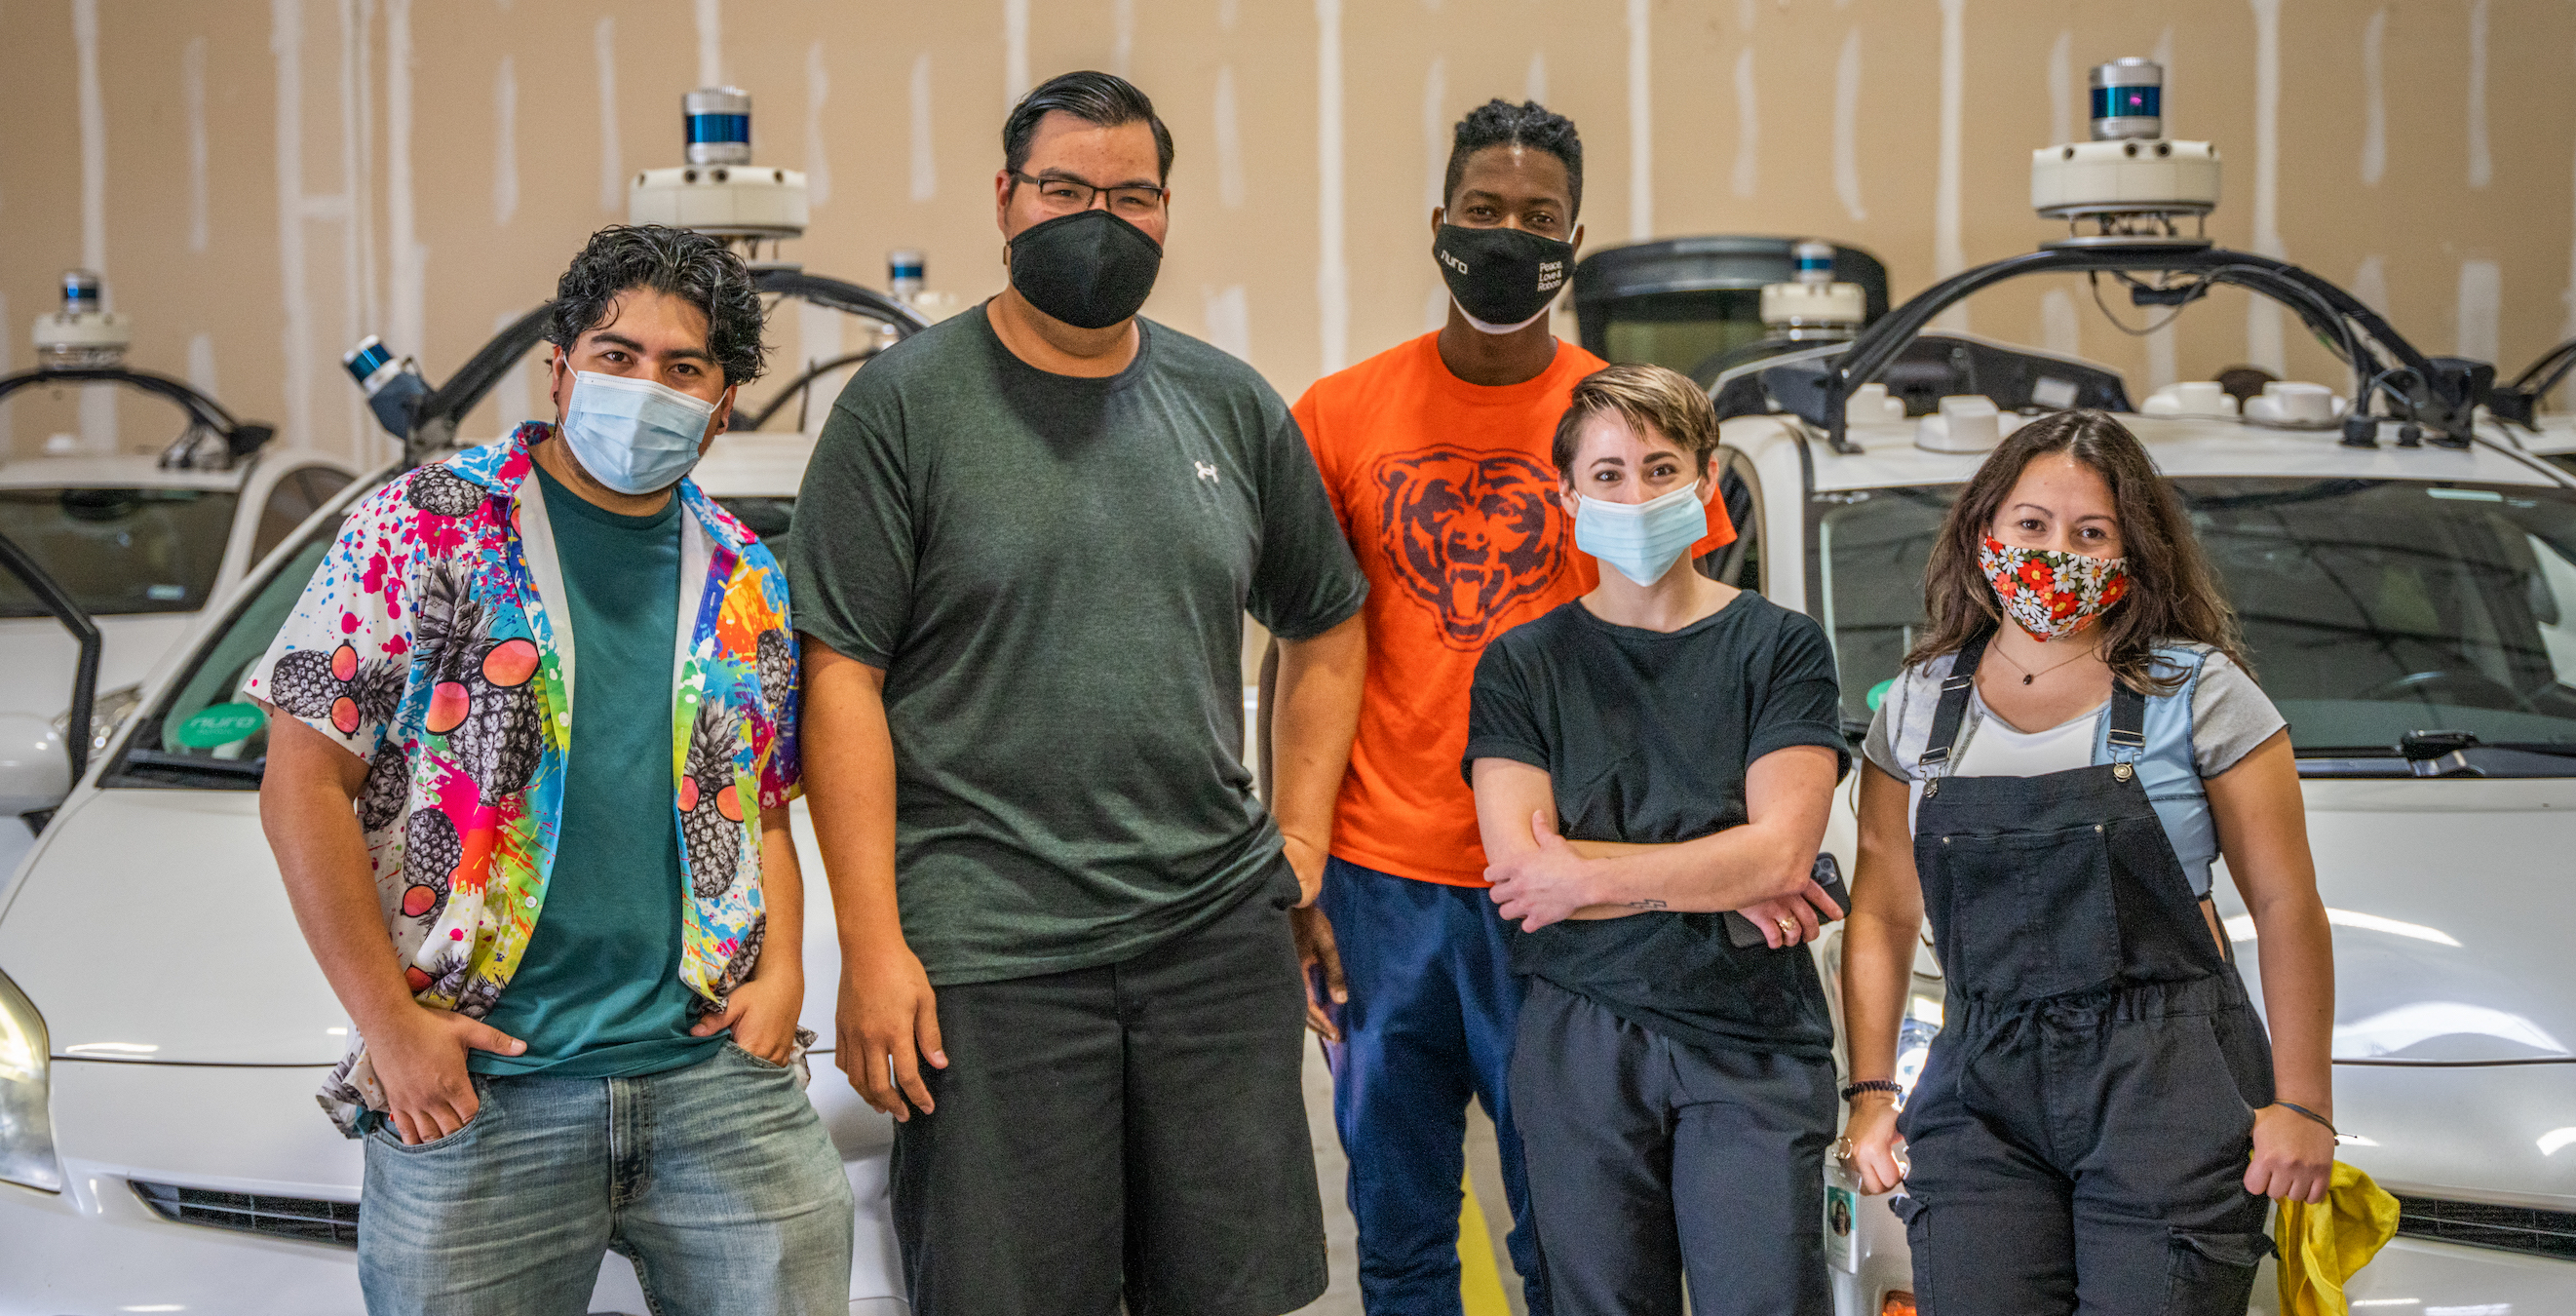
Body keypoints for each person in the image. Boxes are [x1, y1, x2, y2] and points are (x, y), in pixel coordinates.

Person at [788, 70, 1367, 1316]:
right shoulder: (901, 411)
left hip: (1212, 944)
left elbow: (1325, 622)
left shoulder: (1226, 402)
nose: (1096, 217)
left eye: (1131, 194)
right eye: (1064, 188)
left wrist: (1303, 841)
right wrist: (872, 943)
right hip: (990, 957)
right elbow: (839, 675)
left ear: (1167, 211)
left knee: (1235, 1294)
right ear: (1004, 200)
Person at [253, 225, 849, 1314]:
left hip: (714, 1082)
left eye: (685, 368)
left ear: (721, 406)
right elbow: (302, 783)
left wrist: (785, 978)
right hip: (483, 1093)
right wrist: (392, 1030)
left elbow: (760, 807)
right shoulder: (425, 525)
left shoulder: (747, 577)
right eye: (617, 356)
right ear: (562, 363)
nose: (645, 387)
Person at [1287, 97, 1739, 1315]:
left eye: (1536, 219)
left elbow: (1694, 654)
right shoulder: (1336, 417)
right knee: (1399, 1232)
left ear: (1572, 242)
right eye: (1484, 212)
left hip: (1571, 884)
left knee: (1578, 1237)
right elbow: (1301, 658)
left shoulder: (1638, 429)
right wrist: (1300, 864)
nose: (1506, 236)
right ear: (1440, 224)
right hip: (1384, 889)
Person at [1838, 410, 2337, 1315]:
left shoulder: (2200, 691)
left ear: (2133, 551)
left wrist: (2302, 1104)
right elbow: (1879, 913)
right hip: (1980, 1075)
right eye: (2031, 525)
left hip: (2170, 1074)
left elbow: (2287, 905)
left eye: (2091, 532)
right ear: (1984, 531)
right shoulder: (1916, 706)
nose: (2055, 549)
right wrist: (1871, 1094)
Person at [1467, 364, 1849, 1316]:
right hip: (1580, 1035)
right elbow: (1521, 871)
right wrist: (1715, 870)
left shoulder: (1780, 647)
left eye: (1659, 468)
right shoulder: (1522, 665)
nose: (1634, 494)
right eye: (1607, 474)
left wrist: (1591, 874)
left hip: (1749, 1035)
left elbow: (1778, 860)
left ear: (1705, 481)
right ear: (1567, 495)